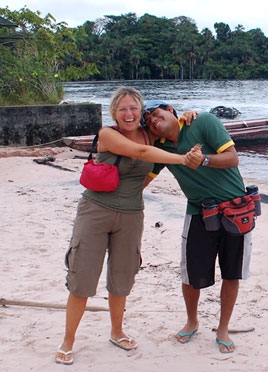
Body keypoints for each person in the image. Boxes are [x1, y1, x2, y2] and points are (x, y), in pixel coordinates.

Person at [55, 87, 195, 365]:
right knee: (82, 277)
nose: (128, 114)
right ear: (114, 113)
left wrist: (188, 116)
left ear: (140, 111)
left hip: (131, 215)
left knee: (122, 277)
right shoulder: (108, 135)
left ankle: (116, 331)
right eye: (122, 109)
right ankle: (68, 340)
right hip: (95, 211)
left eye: (133, 108)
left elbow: (170, 127)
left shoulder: (149, 132)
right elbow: (142, 152)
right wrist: (182, 159)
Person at [143, 100, 252, 354]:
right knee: (191, 274)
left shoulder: (202, 121)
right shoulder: (161, 149)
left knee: (231, 272)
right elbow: (142, 181)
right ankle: (192, 321)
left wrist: (203, 160)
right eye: (148, 122)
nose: (153, 120)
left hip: (235, 209)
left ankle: (223, 327)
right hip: (198, 212)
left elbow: (232, 158)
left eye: (156, 114)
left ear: (170, 110)